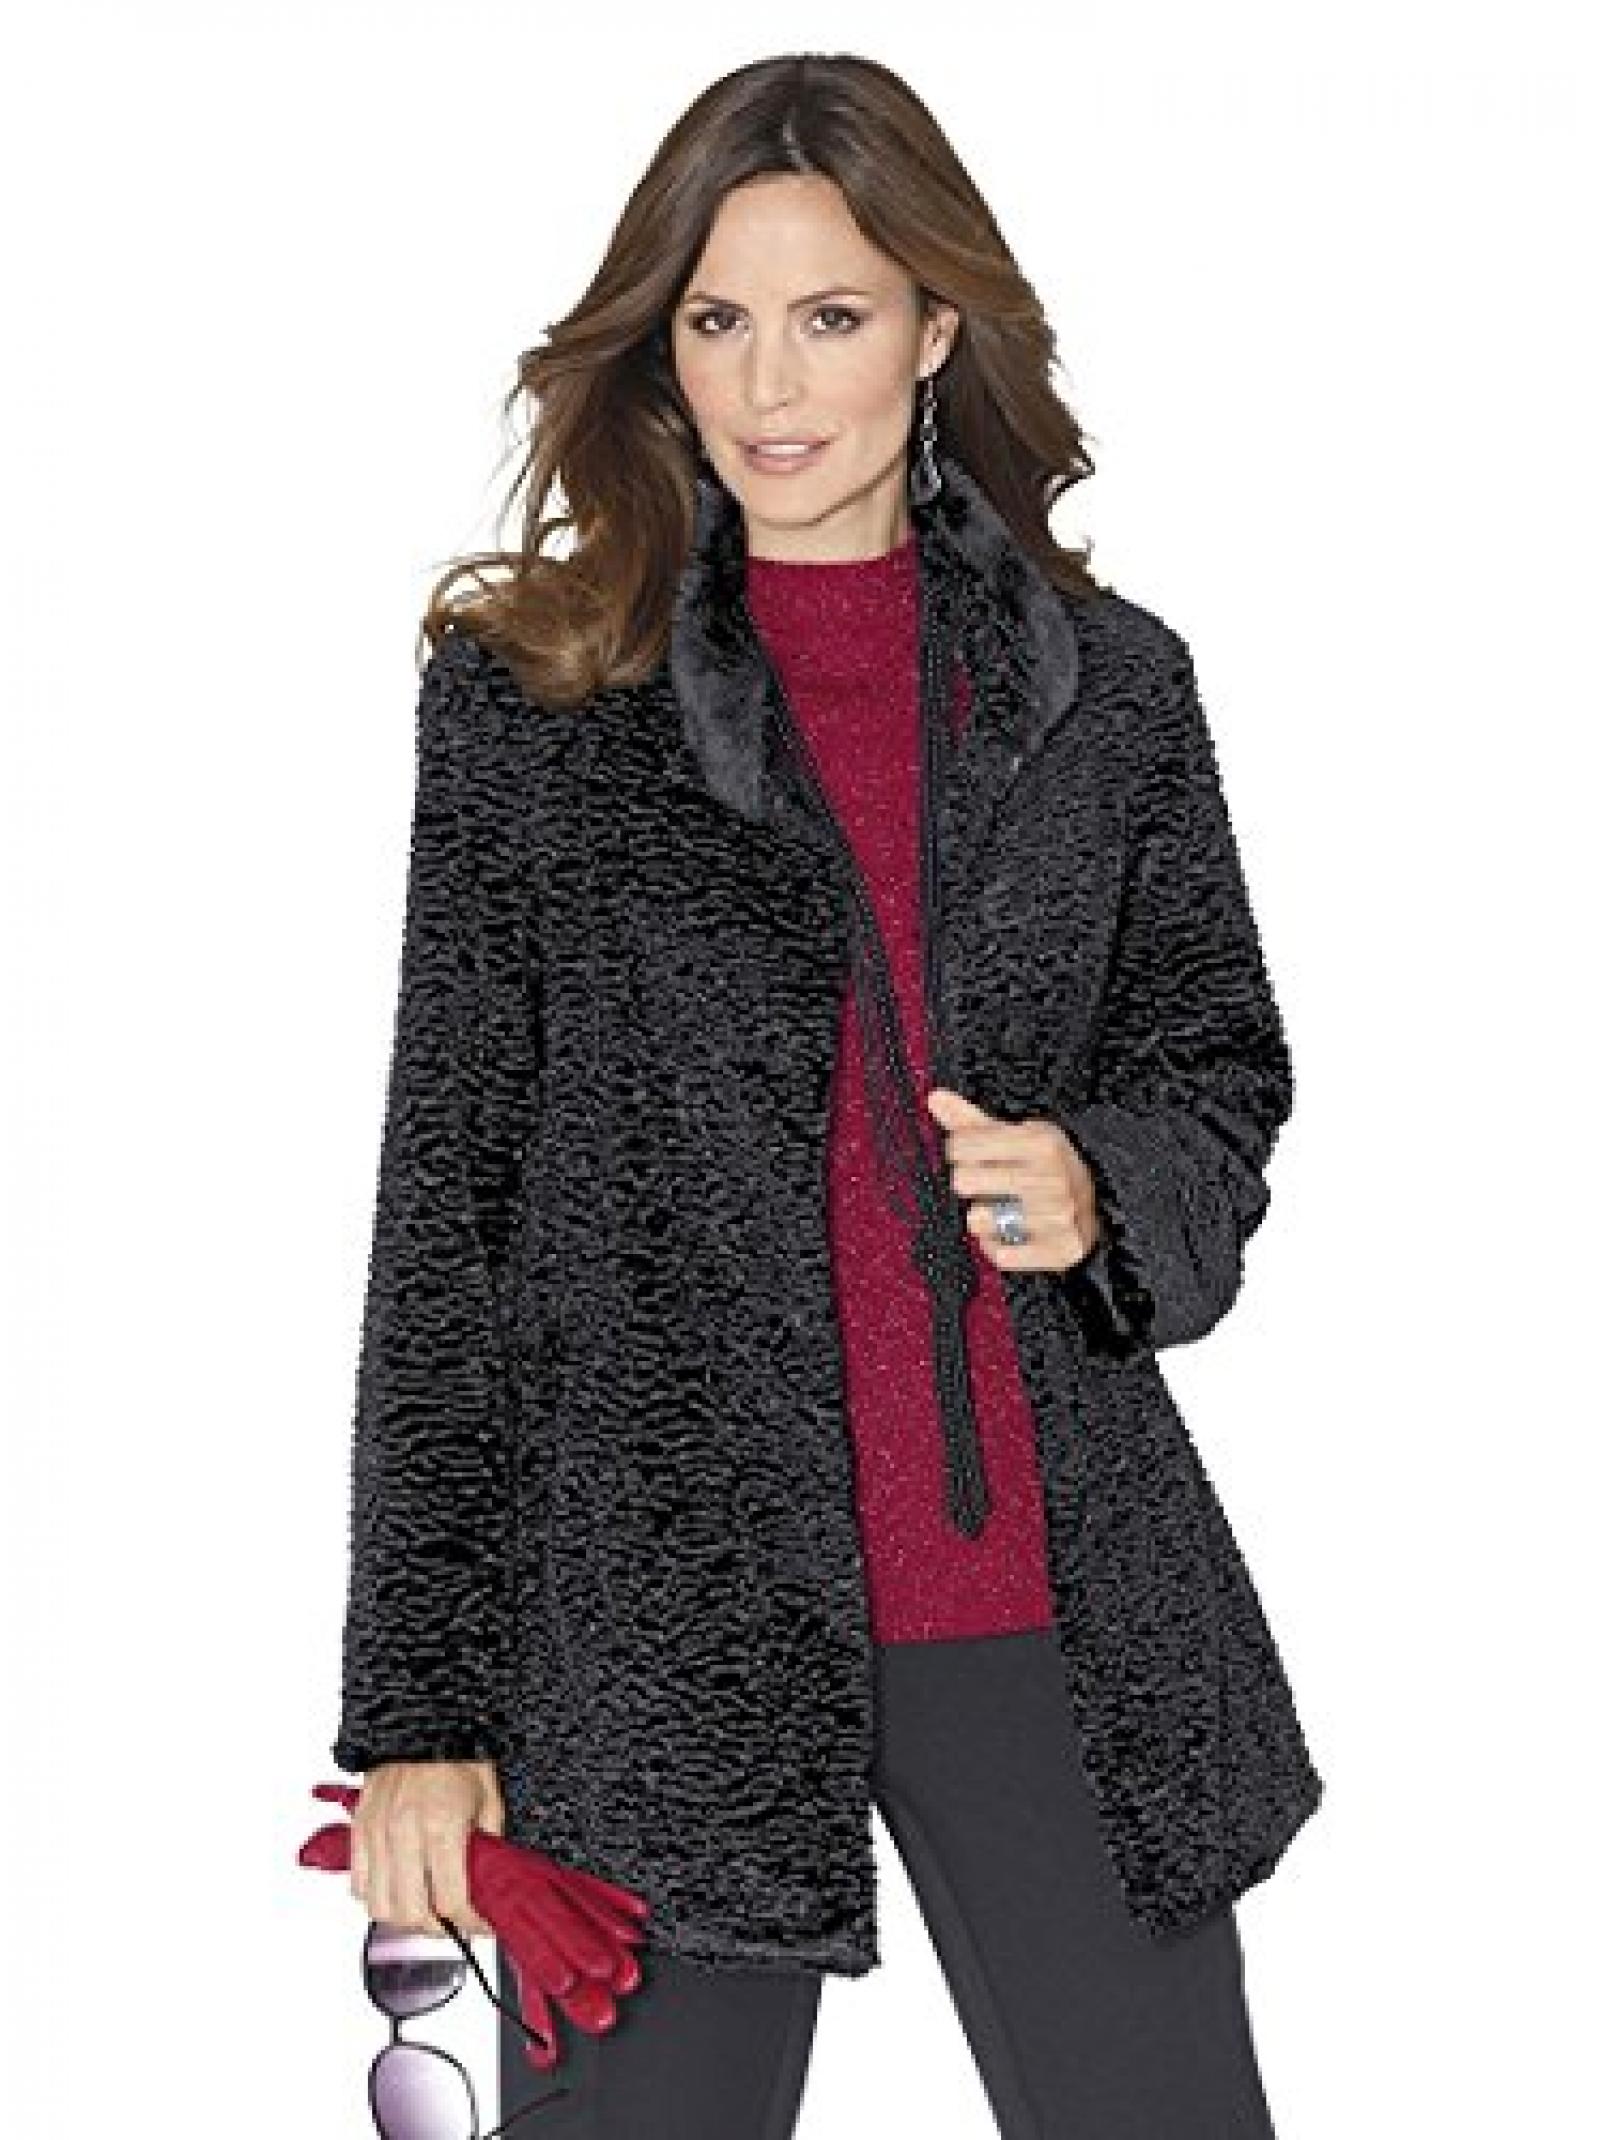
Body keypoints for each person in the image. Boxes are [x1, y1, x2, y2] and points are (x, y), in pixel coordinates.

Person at [332, 51, 1322, 2140]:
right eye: (717, 320)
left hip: (1044, 1590)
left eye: (832, 315)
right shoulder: (536, 703)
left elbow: (1217, 1060)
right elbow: (451, 1209)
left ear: (936, 329)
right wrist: (417, 1706)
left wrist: (1104, 1179)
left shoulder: (1109, 689)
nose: (770, 385)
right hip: (654, 1626)